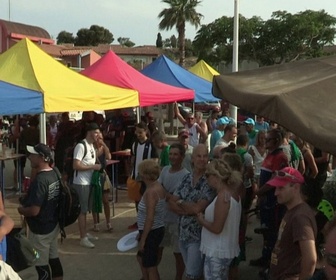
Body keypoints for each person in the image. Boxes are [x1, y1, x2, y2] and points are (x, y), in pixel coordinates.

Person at [169, 144, 215, 280]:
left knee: (192, 275)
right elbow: (171, 202)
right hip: (182, 233)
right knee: (194, 273)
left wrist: (181, 203)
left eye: (205, 156)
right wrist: (187, 210)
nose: (202, 159)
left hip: (198, 236)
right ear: (192, 159)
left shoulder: (210, 181)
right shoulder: (186, 178)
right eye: (199, 156)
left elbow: (197, 209)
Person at [18, 143, 63, 280]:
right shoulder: (55, 173)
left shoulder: (40, 181)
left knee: (41, 267)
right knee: (54, 260)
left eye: (33, 155)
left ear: (42, 158)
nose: (30, 157)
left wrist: (21, 210)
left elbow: (34, 211)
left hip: (40, 232)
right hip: (53, 226)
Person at [268, 167, 317, 280]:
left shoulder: (300, 217)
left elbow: (310, 259)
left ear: (295, 187)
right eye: (276, 188)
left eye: (281, 188)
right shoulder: (293, 211)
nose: (275, 193)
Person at [197, 159, 242, 280]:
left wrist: (202, 220)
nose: (206, 179)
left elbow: (217, 228)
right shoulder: (231, 192)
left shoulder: (223, 197)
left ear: (216, 176)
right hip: (221, 249)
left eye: (207, 175)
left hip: (217, 251)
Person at [251, 129, 289, 268]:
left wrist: (259, 192)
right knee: (266, 231)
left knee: (273, 232)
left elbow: (276, 179)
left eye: (268, 140)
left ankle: (271, 264)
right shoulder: (270, 155)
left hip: (274, 201)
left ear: (276, 141)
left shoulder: (280, 157)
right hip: (266, 200)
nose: (265, 142)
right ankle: (265, 257)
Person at [157, 143, 189, 280]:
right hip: (162, 218)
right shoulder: (164, 170)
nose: (172, 157)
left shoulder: (186, 175)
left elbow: (177, 198)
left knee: (178, 253)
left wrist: (166, 193)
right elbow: (158, 190)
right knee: (157, 249)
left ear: (182, 157)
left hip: (176, 221)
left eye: (176, 154)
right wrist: (167, 194)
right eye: (171, 154)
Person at [72, 122, 102, 248]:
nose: (98, 135)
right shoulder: (81, 146)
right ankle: (83, 237)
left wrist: (103, 145)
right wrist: (93, 166)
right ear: (89, 132)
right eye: (96, 132)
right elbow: (75, 165)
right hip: (81, 183)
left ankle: (84, 233)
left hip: (89, 182)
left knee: (87, 209)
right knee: (82, 211)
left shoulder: (91, 145)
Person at [136, 159, 166, 280]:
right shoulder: (157, 187)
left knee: (150, 265)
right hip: (155, 229)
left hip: (152, 231)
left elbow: (150, 217)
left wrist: (143, 239)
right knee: (142, 258)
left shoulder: (151, 192)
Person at [128, 122, 158, 230]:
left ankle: (148, 221)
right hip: (136, 176)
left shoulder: (150, 144)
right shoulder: (134, 144)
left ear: (145, 131)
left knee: (147, 200)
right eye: (137, 132)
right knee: (137, 200)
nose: (138, 134)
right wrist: (131, 172)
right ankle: (139, 220)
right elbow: (132, 158)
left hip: (147, 178)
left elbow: (155, 160)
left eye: (140, 132)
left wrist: (151, 174)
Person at [92, 131, 113, 232]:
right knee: (95, 200)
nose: (99, 140)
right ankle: (96, 223)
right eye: (98, 138)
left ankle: (108, 222)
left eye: (101, 138)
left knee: (106, 201)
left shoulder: (104, 148)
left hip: (103, 175)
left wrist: (104, 145)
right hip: (94, 175)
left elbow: (109, 157)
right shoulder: (91, 148)